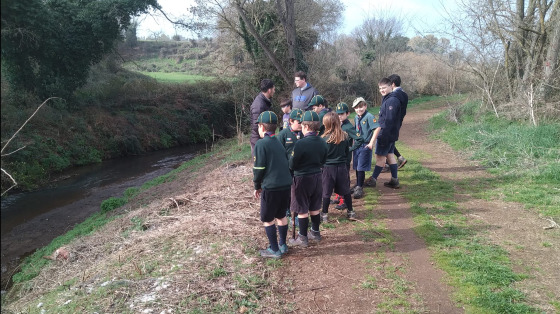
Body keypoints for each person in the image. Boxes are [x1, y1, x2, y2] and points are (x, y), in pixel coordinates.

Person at [253, 111, 293, 258]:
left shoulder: (261, 144)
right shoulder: (279, 142)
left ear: (262, 127)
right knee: (281, 215)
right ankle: (283, 244)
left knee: (267, 219)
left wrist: (257, 185)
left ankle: (274, 250)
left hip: (271, 187)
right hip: (285, 185)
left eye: (258, 125)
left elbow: (258, 168)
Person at [288, 111, 328, 247]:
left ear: (305, 127)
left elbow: (292, 163)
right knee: (315, 206)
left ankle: (303, 237)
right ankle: (315, 232)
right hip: (317, 176)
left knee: (302, 208)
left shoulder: (300, 144)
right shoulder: (323, 142)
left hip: (301, 178)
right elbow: (324, 160)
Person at [366, 78, 402, 189]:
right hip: (391, 135)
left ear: (391, 86)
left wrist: (382, 135)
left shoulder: (392, 101)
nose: (382, 90)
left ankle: (373, 180)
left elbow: (389, 121)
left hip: (386, 134)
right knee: (390, 156)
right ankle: (394, 180)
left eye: (384, 88)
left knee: (380, 158)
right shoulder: (388, 98)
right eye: (380, 88)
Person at [320, 112, 356, 221]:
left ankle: (325, 214)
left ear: (326, 124)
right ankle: (350, 212)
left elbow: (321, 156)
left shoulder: (323, 139)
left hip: (328, 168)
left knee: (326, 192)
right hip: (341, 167)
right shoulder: (344, 136)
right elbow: (346, 152)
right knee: (346, 190)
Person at [333, 102, 363, 210]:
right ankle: (338, 197)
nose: (340, 116)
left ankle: (344, 201)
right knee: (337, 178)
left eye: (342, 114)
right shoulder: (337, 124)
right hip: (338, 157)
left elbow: (360, 139)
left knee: (344, 180)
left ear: (348, 114)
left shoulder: (348, 127)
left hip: (345, 158)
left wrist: (350, 149)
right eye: (338, 114)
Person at [351, 97, 379, 199]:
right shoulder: (356, 117)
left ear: (365, 106)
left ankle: (359, 188)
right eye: (356, 108)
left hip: (365, 145)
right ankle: (358, 184)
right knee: (357, 166)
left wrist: (371, 143)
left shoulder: (369, 116)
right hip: (358, 145)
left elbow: (377, 128)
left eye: (361, 107)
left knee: (361, 167)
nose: (359, 109)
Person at [250, 79, 275, 156]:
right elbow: (255, 126)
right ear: (269, 90)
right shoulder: (259, 105)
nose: (275, 91)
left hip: (263, 138)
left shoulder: (265, 101)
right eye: (274, 89)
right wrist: (265, 138)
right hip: (258, 140)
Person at [388, 74, 408, 169]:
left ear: (392, 84)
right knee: (390, 141)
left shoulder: (394, 95)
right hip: (399, 120)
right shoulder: (404, 93)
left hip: (393, 121)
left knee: (388, 140)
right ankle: (397, 159)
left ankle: (398, 159)